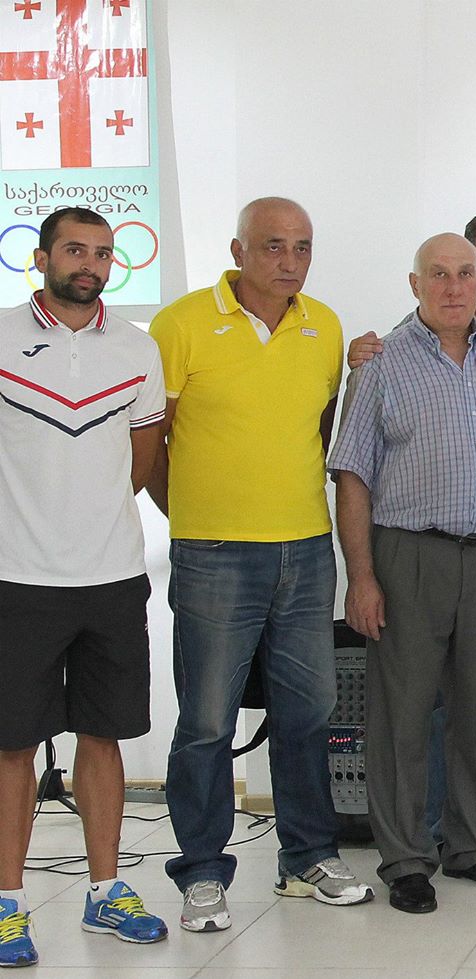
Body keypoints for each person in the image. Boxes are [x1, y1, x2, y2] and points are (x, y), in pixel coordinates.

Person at [150, 197, 370, 933]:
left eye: (302, 247)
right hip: (213, 553)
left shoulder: (324, 326)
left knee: (308, 712)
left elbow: (321, 432)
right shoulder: (181, 324)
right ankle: (201, 872)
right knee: (207, 719)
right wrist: (193, 516)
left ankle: (307, 858)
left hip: (306, 549)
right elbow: (151, 441)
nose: (290, 261)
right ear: (238, 250)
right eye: (274, 245)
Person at [327, 233, 476, 914]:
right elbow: (352, 476)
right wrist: (361, 577)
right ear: (415, 283)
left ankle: (473, 845)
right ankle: (405, 858)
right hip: (410, 556)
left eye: (465, 274)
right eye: (439, 274)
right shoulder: (383, 364)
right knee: (401, 714)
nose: (454, 287)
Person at [0, 208, 169, 968]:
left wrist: (87, 515)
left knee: (104, 737)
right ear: (41, 258)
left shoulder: (137, 347)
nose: (90, 264)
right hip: (17, 578)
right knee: (11, 745)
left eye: (102, 253)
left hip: (111, 578)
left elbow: (141, 457)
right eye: (75, 250)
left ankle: (106, 892)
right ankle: (7, 903)